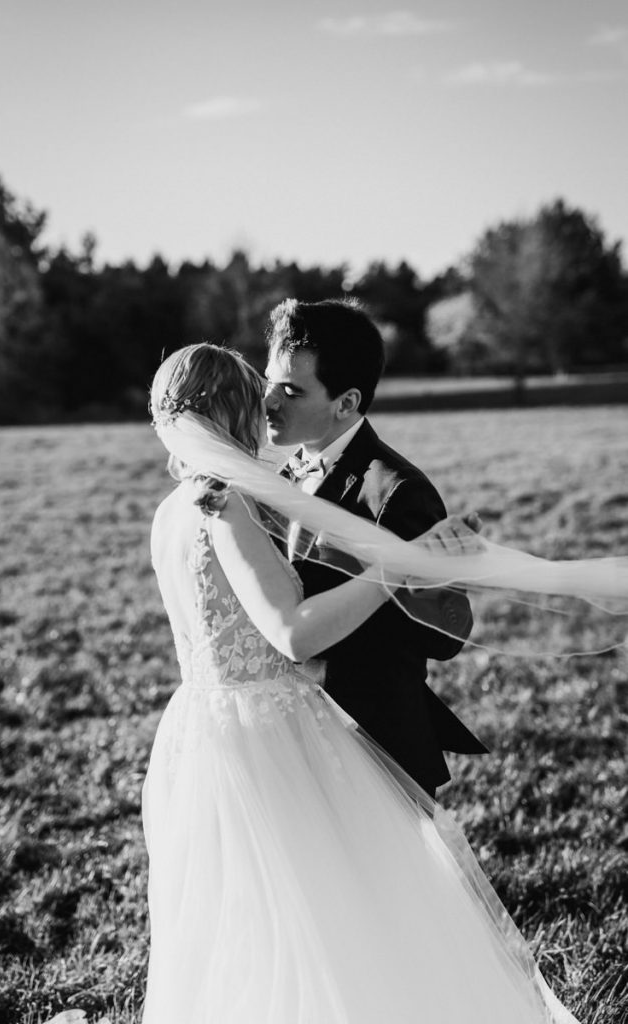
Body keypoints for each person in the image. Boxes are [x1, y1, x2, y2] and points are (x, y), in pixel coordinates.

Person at [141, 341, 578, 1023]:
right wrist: (391, 570)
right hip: (268, 733)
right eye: (256, 402)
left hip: (201, 728)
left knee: (250, 918)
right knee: (327, 912)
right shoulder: (222, 505)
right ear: (232, 412)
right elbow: (292, 633)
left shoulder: (172, 510)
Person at [264, 297, 486, 799]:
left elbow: (441, 638)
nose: (269, 402)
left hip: (373, 744)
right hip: (288, 738)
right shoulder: (274, 477)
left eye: (292, 391)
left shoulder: (397, 491)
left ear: (346, 403)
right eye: (269, 382)